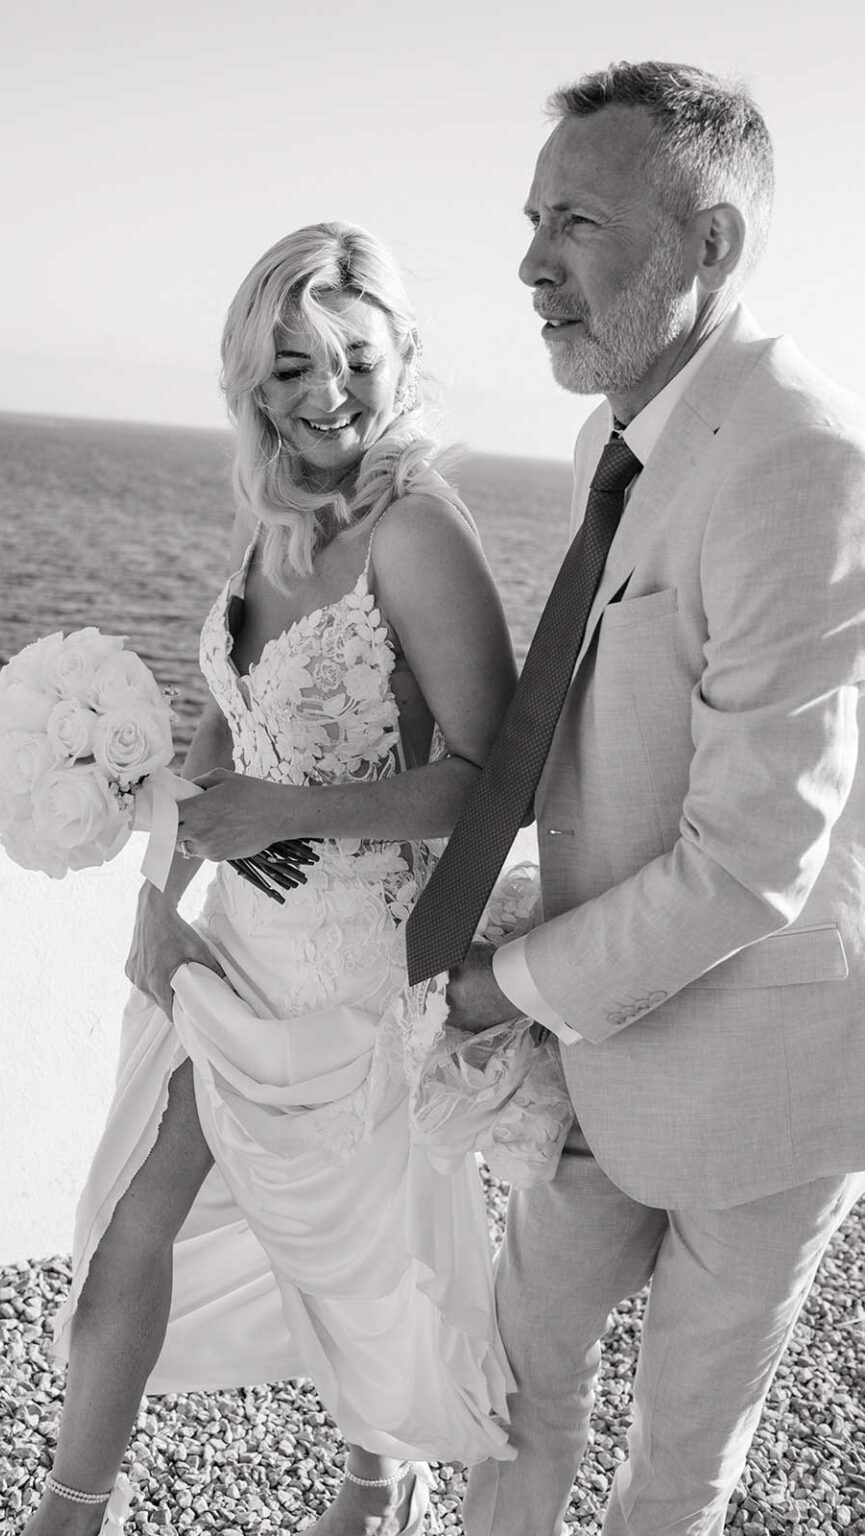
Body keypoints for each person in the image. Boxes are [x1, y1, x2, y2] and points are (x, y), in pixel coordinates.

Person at [407, 61, 865, 1536]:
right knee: (508, 1388)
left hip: (766, 1089)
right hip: (601, 1054)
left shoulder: (803, 461)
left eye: (580, 222)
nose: (532, 264)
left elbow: (753, 857)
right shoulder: (616, 438)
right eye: (533, 219)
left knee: (674, 1470)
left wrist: (503, 986)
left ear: (707, 244)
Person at [22, 220, 524, 1536]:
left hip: (353, 974)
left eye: (354, 358)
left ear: (402, 355)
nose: (326, 393)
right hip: (231, 951)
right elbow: (222, 720)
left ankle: (376, 1488)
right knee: (128, 1219)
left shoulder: (419, 531)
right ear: (253, 377)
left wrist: (287, 812)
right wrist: (158, 900)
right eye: (292, 365)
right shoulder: (278, 516)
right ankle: (71, 1513)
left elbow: (492, 780)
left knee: (362, 1267)